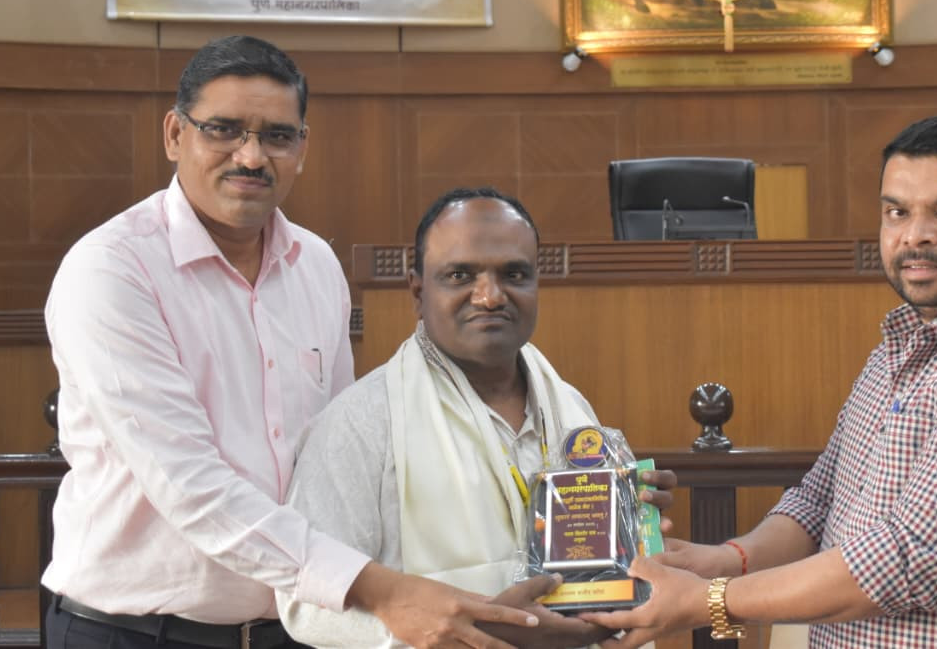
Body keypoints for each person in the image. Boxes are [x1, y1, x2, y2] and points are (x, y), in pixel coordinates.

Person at [43, 37, 539, 649]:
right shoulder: (112, 271)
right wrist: (382, 590)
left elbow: (345, 457)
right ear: (175, 134)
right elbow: (191, 487)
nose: (251, 156)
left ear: (302, 148)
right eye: (224, 130)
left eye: (277, 136)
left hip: (295, 628)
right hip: (135, 632)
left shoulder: (317, 267)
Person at [584, 115, 937, 647]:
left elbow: (909, 561)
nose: (916, 235)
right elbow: (821, 498)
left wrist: (708, 600)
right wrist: (727, 560)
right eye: (897, 212)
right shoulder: (900, 346)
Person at [277, 187, 675, 649]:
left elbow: (607, 572)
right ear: (418, 291)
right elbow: (305, 602)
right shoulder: (361, 423)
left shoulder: (571, 411)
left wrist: (637, 536)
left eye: (514, 274)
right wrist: (467, 634)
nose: (489, 296)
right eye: (460, 275)